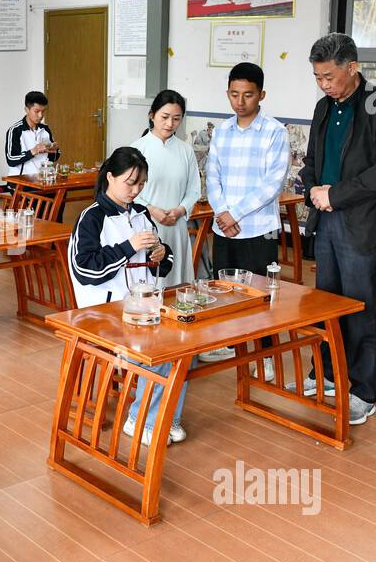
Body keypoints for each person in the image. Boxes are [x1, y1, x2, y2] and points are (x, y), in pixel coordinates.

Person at [299, 33, 376, 426]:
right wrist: (313, 188)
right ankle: (326, 372)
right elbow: (312, 157)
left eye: (329, 76)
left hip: (360, 222)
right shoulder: (323, 107)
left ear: (352, 67)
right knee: (326, 302)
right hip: (325, 217)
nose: (323, 84)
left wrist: (337, 194)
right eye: (317, 77)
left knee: (360, 306)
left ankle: (363, 389)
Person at [68, 146, 187, 445]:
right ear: (110, 177)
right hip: (103, 314)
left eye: (141, 184)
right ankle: (140, 420)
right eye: (130, 183)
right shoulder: (92, 217)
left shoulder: (142, 214)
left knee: (185, 343)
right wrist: (128, 247)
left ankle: (165, 418)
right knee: (158, 349)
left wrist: (161, 254)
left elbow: (161, 266)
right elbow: (86, 270)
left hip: (144, 307)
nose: (136, 190)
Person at [200, 63, 288, 376]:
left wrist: (233, 213)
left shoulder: (275, 132)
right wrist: (222, 212)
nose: (241, 101)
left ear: (261, 95)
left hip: (257, 227)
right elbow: (213, 175)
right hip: (224, 227)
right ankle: (227, 344)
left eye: (248, 95)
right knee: (223, 290)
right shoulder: (221, 131)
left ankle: (264, 357)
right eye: (235, 94)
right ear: (228, 94)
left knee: (260, 295)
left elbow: (272, 184)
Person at [131, 90, 201, 285]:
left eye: (176, 119)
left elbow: (194, 189)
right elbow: (128, 192)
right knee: (151, 282)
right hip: (145, 225)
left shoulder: (186, 151)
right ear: (151, 115)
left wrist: (180, 210)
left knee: (177, 282)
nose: (170, 124)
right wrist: (152, 210)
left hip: (176, 225)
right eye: (165, 117)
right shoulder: (137, 149)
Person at [4, 90, 60, 177]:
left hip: (42, 178)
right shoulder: (15, 130)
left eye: (43, 111)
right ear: (27, 110)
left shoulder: (45, 129)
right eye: (37, 111)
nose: (41, 115)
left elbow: (53, 158)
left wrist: (54, 151)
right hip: (21, 180)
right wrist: (34, 151)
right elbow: (11, 160)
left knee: (63, 188)